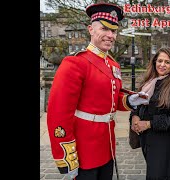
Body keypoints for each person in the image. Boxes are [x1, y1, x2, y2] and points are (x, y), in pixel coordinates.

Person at [46, 2, 149, 180]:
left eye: (114, 31)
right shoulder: (75, 63)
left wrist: (129, 101)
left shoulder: (113, 65)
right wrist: (67, 157)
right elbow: (58, 113)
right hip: (85, 150)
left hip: (107, 146)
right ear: (90, 30)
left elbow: (110, 100)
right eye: (104, 29)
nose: (110, 35)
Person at [130, 47, 170, 180]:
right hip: (146, 139)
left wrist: (149, 124)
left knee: (161, 175)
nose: (162, 65)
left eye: (167, 62)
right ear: (154, 62)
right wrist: (134, 116)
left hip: (164, 142)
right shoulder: (148, 82)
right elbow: (137, 105)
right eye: (160, 61)